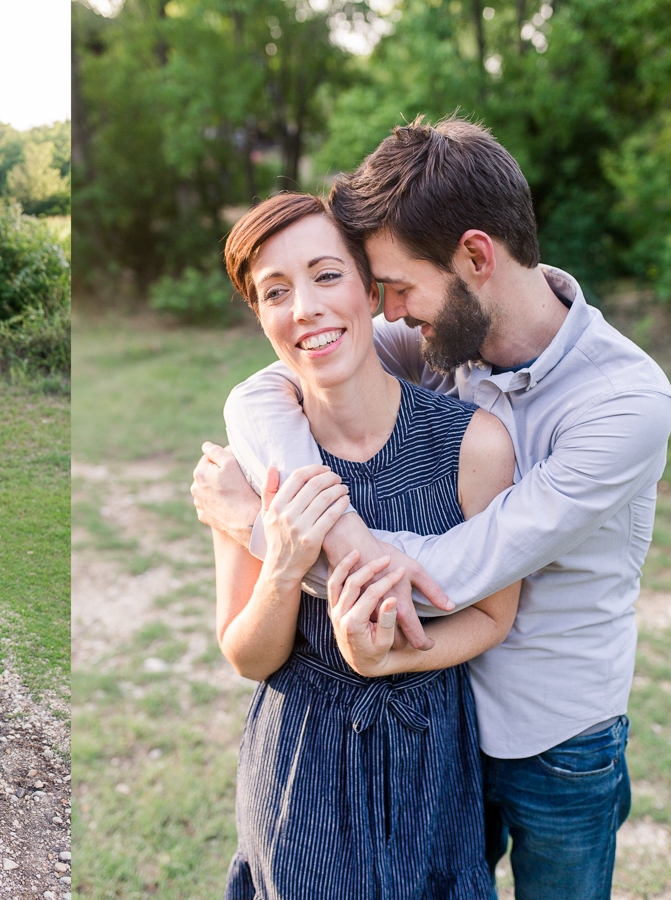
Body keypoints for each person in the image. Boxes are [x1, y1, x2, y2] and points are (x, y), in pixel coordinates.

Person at [194, 116, 671, 899]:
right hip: (441, 725)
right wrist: (317, 525)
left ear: (476, 257)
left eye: (399, 287)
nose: (390, 310)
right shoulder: (437, 336)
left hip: (555, 734)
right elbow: (261, 394)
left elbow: (453, 569)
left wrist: (258, 525)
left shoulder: (624, 403)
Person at [212, 191, 519, 899]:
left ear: (371, 286)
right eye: (276, 293)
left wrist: (390, 660)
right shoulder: (255, 455)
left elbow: (494, 618)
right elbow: (245, 653)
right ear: (261, 316)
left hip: (429, 757)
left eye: (326, 275)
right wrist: (284, 567)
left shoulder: (474, 445)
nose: (306, 309)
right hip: (298, 763)